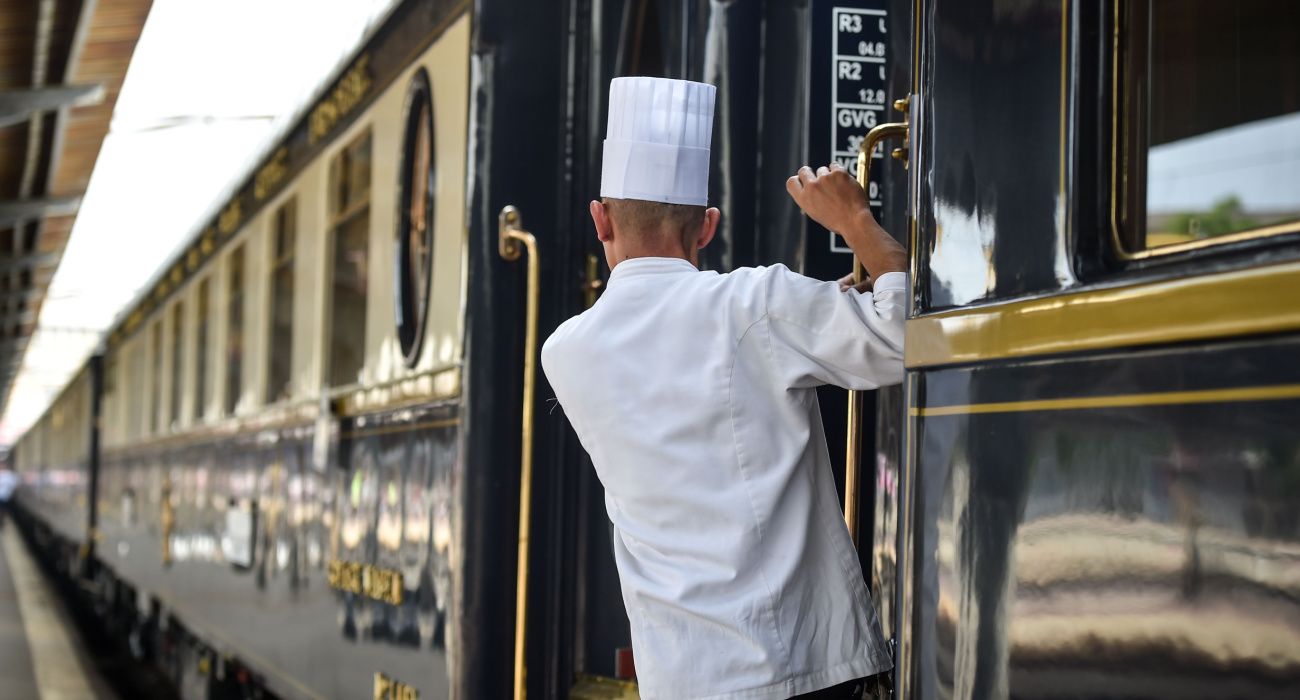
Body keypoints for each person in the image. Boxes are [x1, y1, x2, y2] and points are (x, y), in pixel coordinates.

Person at [541, 77, 907, 700]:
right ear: (706, 227)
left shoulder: (565, 353)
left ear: (600, 221)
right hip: (797, 669)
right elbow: (905, 339)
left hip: (680, 678)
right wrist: (855, 220)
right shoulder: (754, 305)